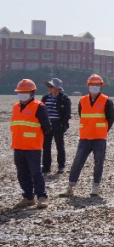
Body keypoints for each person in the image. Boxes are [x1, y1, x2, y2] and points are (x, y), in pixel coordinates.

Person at [66, 74, 114, 198]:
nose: (94, 87)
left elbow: (111, 118)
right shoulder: (82, 100)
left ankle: (95, 187)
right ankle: (70, 187)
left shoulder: (106, 101)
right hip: (85, 137)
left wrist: (103, 130)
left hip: (99, 138)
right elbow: (82, 115)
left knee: (98, 163)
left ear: (101, 86)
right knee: (77, 162)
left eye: (97, 85)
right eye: (92, 85)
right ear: (88, 86)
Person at [10, 79, 51, 210]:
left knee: (36, 172)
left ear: (32, 92)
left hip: (33, 147)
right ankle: (28, 197)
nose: (22, 94)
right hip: (18, 145)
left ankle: (42, 197)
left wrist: (35, 137)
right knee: (22, 173)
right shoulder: (16, 107)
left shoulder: (39, 106)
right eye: (20, 92)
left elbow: (47, 127)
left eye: (25, 92)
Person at [40, 78, 70, 178]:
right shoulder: (45, 98)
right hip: (47, 125)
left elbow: (67, 114)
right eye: (49, 86)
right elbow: (41, 111)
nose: (49, 88)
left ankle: (61, 166)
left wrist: (62, 125)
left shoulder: (64, 98)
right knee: (46, 146)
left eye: (51, 86)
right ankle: (46, 167)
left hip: (58, 124)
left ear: (57, 88)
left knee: (60, 146)